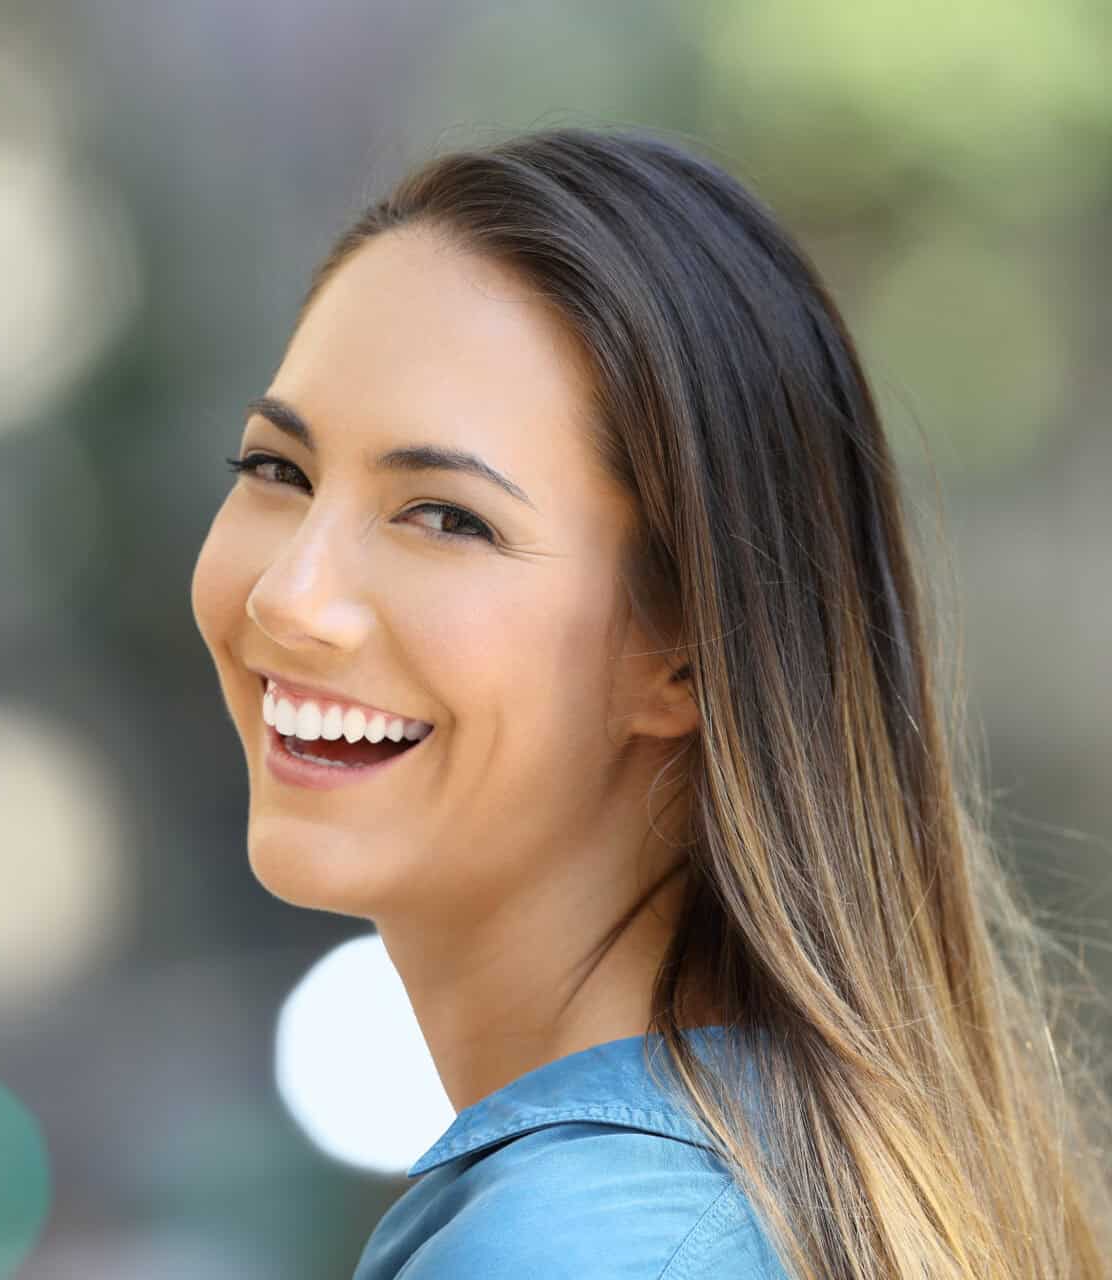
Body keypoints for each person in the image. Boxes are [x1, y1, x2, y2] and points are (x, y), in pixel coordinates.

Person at [189, 127, 1112, 1278]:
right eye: (279, 471)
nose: (290, 596)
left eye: (446, 515)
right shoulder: (776, 1176)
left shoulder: (577, 1245)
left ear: (683, 649)